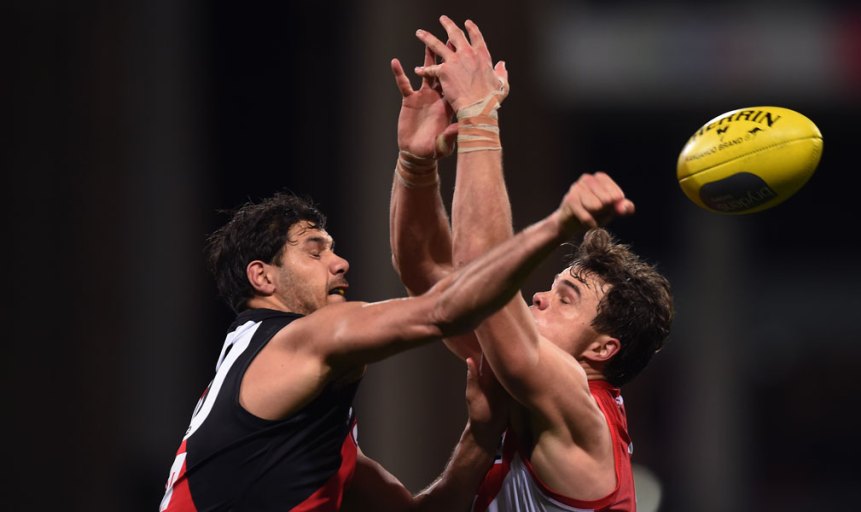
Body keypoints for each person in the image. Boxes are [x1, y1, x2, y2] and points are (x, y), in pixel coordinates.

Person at [158, 54, 637, 511]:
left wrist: (420, 160)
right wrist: (480, 129)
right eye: (314, 250)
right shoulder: (302, 341)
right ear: (261, 277)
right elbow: (444, 296)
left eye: (565, 298)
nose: (342, 263)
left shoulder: (571, 399)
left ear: (603, 349)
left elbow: (442, 284)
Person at [390, 16, 674, 511]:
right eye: (554, 286)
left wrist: (479, 114)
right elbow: (428, 275)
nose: (539, 295)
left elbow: (478, 264)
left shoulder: (580, 413)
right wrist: (417, 163)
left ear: (603, 348)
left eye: (566, 298)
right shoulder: (523, 388)